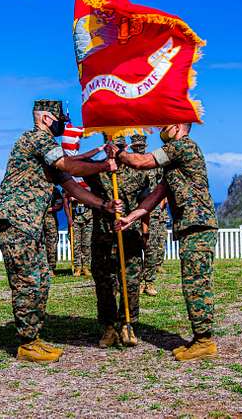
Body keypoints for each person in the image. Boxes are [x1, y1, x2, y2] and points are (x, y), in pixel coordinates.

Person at [0, 100, 122, 363]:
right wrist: (103, 166)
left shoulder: (48, 152)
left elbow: (72, 187)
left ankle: (33, 337)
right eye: (61, 118)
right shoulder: (35, 139)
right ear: (46, 119)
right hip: (17, 221)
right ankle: (27, 344)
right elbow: (70, 166)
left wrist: (104, 205)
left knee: (41, 281)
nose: (65, 123)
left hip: (31, 224)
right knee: (27, 282)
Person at [113, 123, 219, 361]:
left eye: (165, 125)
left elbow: (140, 162)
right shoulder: (174, 162)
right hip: (191, 227)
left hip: (198, 225)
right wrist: (131, 217)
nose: (161, 128)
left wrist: (117, 153)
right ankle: (199, 338)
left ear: (179, 126)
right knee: (191, 282)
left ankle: (204, 341)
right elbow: (156, 196)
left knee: (196, 283)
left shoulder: (183, 147)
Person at [84, 136, 151, 348]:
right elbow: (71, 170)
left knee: (130, 282)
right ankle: (109, 326)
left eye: (120, 147)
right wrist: (99, 158)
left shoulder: (139, 173)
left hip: (129, 236)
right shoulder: (96, 171)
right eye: (112, 147)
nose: (116, 151)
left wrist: (145, 231)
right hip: (103, 236)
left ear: (126, 147)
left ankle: (127, 324)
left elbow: (145, 203)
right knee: (104, 283)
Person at [130, 134, 168, 296]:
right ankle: (137, 282)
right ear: (132, 147)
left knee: (151, 247)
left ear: (145, 147)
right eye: (136, 147)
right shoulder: (128, 165)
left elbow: (164, 182)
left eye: (141, 147)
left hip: (153, 211)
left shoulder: (154, 164)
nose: (139, 149)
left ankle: (149, 282)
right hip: (134, 211)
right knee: (134, 248)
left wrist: (161, 203)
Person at [70, 199, 93, 277]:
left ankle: (85, 267)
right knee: (76, 244)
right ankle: (78, 267)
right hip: (74, 219)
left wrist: (78, 197)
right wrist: (68, 217)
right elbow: (66, 201)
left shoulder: (89, 187)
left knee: (86, 244)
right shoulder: (71, 187)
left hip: (87, 219)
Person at [43, 187, 63, 274]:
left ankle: (51, 268)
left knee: (52, 244)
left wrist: (51, 209)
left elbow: (59, 204)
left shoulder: (54, 189)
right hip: (36, 219)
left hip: (50, 219)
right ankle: (41, 268)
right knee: (37, 244)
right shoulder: (32, 187)